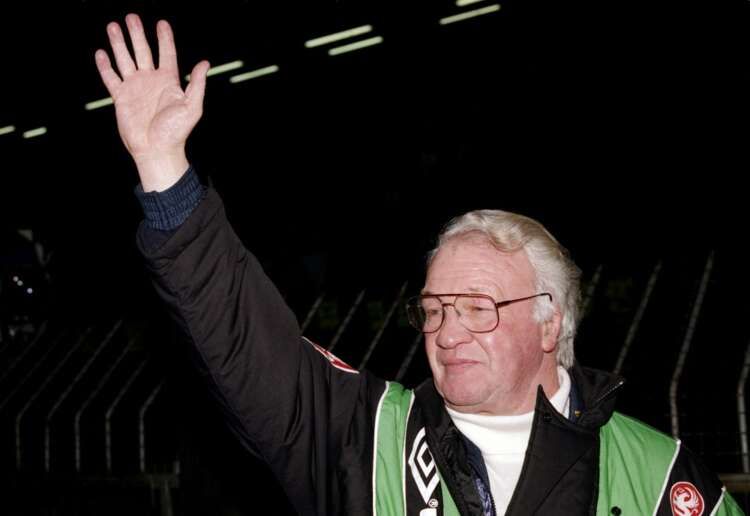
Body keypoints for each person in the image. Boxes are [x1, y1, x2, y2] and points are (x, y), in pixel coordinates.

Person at [95, 14, 744, 516]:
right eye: (434, 310)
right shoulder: (370, 439)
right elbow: (247, 344)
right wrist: (164, 171)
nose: (447, 332)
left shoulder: (665, 481)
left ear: (550, 323)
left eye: (478, 308)